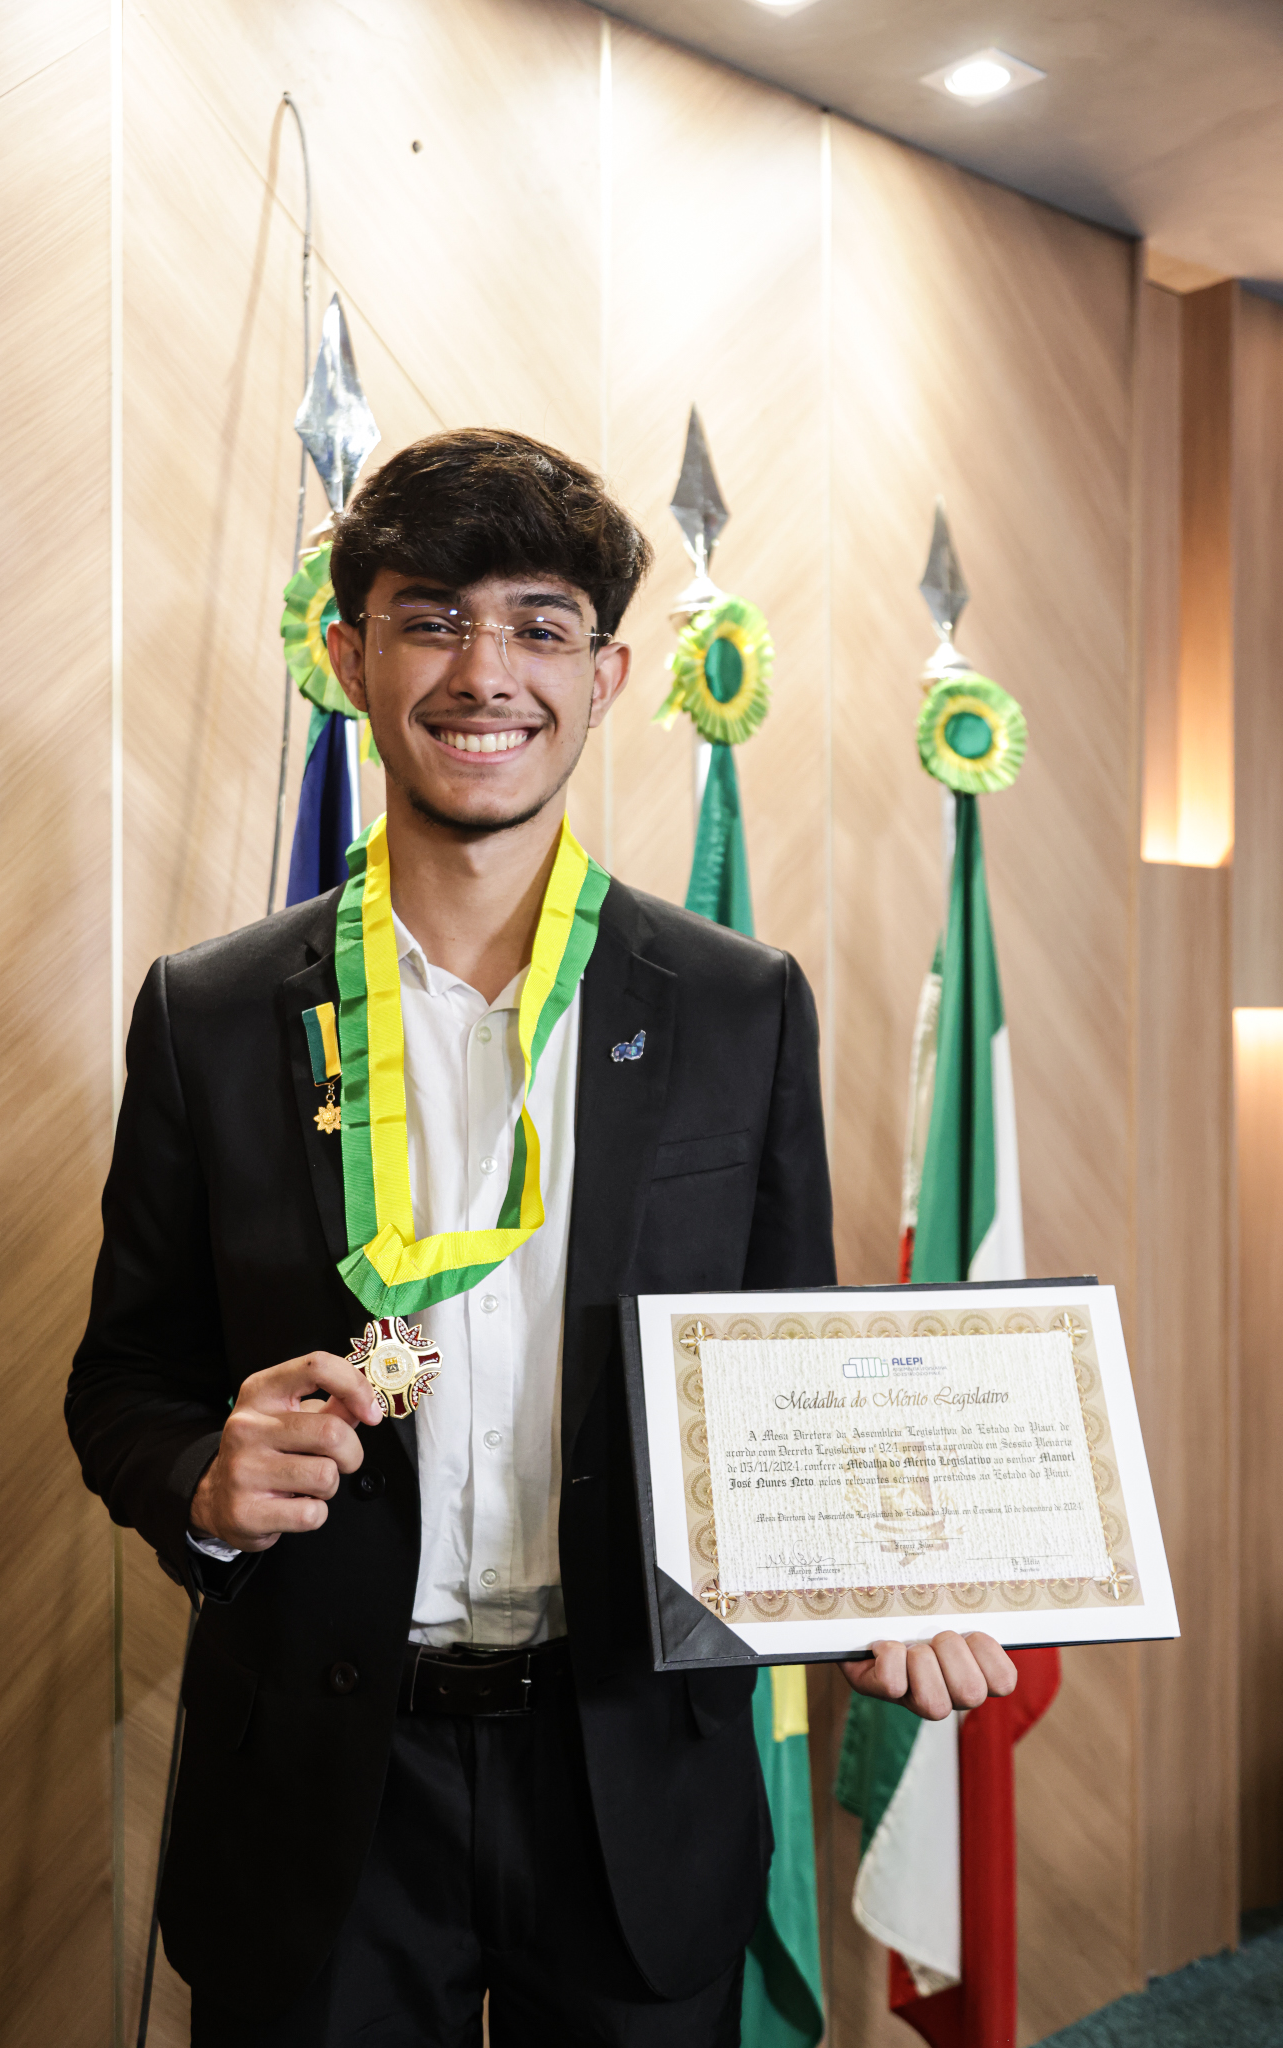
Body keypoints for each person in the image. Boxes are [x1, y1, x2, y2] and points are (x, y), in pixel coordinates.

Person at [66, 429, 1015, 2048]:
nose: (483, 670)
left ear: (608, 672)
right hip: (319, 1796)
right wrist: (201, 1485)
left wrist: (877, 1579)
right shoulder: (212, 1012)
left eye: (539, 622)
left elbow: (793, 1371)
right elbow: (126, 1382)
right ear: (349, 650)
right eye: (430, 616)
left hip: (634, 1769)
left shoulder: (735, 1004)